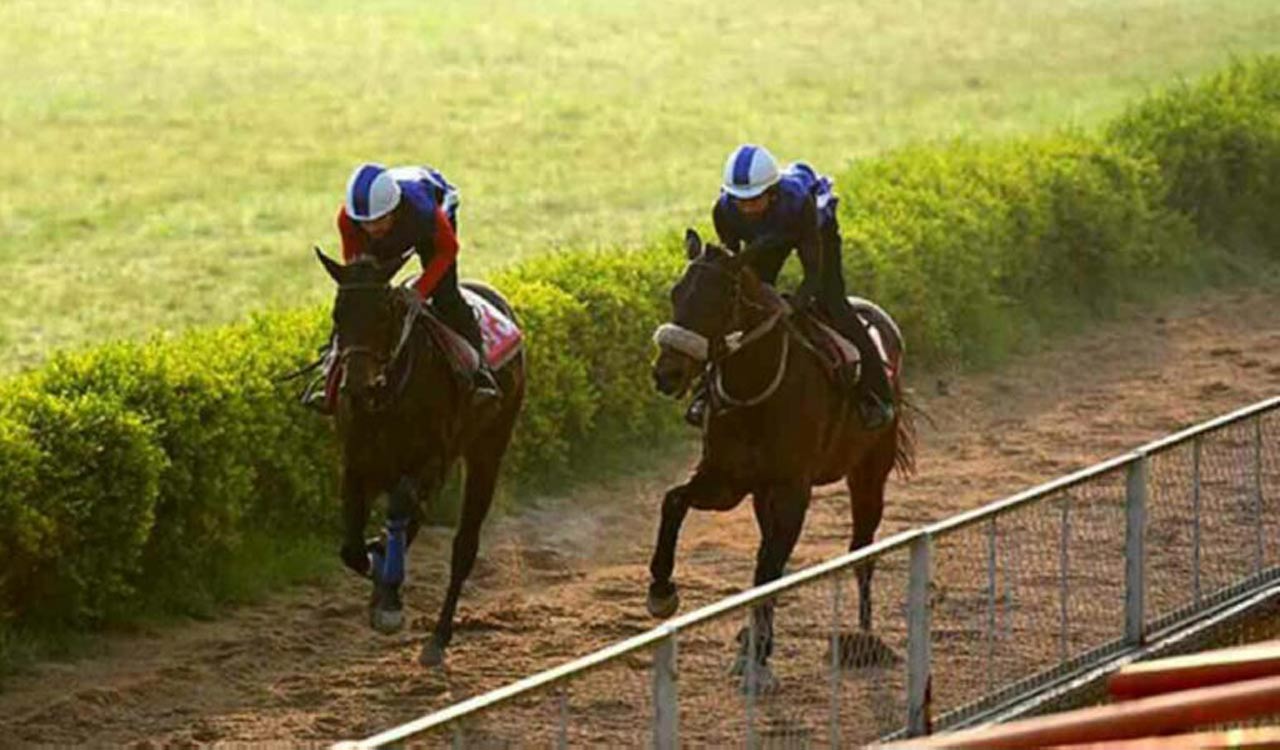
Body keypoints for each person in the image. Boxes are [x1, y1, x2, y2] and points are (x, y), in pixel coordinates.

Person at [700, 143, 895, 429]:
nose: (747, 208)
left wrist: (795, 304)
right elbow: (736, 267)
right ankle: (706, 393)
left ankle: (878, 395)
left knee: (833, 303)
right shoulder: (723, 211)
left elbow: (813, 271)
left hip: (813, 233)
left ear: (773, 192)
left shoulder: (798, 203)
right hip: (766, 240)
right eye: (741, 201)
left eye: (754, 199)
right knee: (741, 305)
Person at [306, 162, 499, 412]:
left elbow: (447, 250)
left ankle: (480, 377)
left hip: (434, 226)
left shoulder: (424, 212)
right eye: (367, 223)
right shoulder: (348, 220)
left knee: (446, 297)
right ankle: (329, 383)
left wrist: (419, 290)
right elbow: (357, 274)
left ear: (394, 210)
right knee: (357, 307)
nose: (373, 229)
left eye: (379, 220)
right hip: (400, 224)